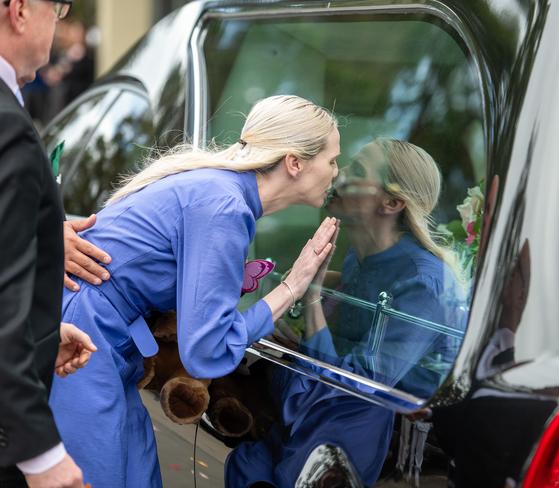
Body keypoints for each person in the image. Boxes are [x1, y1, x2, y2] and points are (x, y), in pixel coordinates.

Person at [48, 94, 341, 487]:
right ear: (295, 163)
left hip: (100, 337)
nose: (337, 172)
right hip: (82, 338)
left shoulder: (220, 192)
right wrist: (293, 285)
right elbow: (206, 350)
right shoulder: (225, 206)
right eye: (332, 159)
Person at [226, 139, 467, 487]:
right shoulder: (358, 256)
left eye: (356, 170)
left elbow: (363, 385)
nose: (338, 175)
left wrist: (310, 295)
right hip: (317, 406)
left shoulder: (422, 282)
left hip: (360, 432)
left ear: (392, 203)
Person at [0, 1, 98, 487]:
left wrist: (38, 333)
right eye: (57, 7)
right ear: (19, 10)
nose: (58, 21)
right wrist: (41, 458)